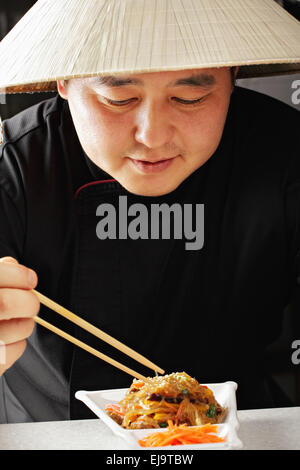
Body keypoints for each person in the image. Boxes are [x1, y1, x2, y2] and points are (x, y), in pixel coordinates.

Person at [0, 0, 300, 423]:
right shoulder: (15, 163)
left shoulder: (287, 154)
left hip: (246, 431)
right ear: (63, 82)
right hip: (55, 433)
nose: (152, 136)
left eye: (189, 97)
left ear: (233, 75)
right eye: (118, 99)